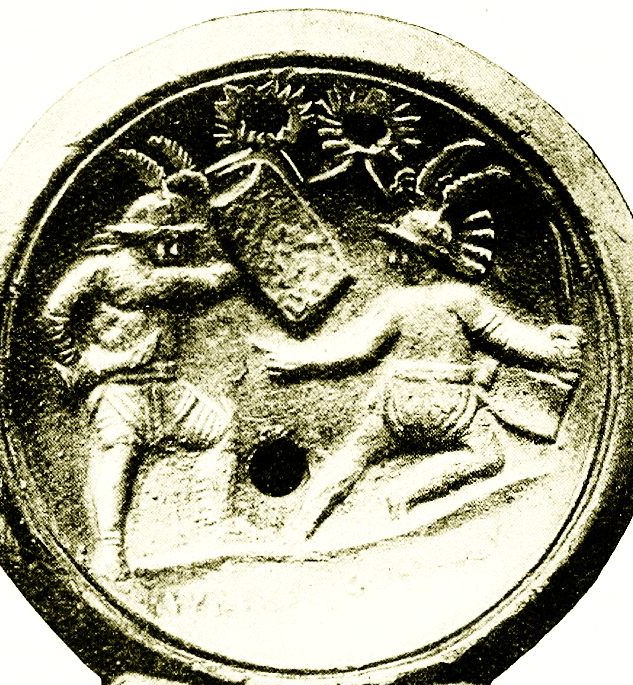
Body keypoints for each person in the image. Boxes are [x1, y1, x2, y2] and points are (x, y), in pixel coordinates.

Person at [259, 205, 585, 541]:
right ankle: (406, 491)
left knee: (353, 457)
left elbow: (359, 350)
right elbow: (509, 339)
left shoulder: (397, 303)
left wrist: (301, 360)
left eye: (401, 251)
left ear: (422, 255)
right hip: (452, 408)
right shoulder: (464, 298)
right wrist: (555, 351)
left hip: (399, 405)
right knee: (488, 456)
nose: (394, 260)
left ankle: (299, 529)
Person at [42, 171, 241, 579]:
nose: (175, 248)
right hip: (121, 392)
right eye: (166, 239)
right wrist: (77, 362)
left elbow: (201, 283)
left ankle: (212, 523)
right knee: (117, 454)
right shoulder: (112, 270)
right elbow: (55, 313)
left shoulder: (168, 271)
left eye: (180, 239)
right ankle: (109, 549)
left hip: (169, 388)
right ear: (144, 238)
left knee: (222, 431)